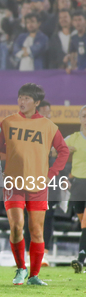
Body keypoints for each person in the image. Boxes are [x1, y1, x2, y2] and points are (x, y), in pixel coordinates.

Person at [0, 83, 69, 285]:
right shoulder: (8, 122)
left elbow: (63, 151)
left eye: (27, 98)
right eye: (20, 97)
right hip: (14, 181)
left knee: (36, 230)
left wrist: (51, 174)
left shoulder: (48, 126)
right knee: (16, 226)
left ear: (36, 102)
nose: (22, 101)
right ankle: (21, 268)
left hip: (38, 184)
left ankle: (34, 275)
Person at [69, 106, 86, 273]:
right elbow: (53, 151)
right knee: (83, 224)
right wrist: (64, 150)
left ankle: (80, 260)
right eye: (84, 116)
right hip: (78, 186)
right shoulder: (73, 138)